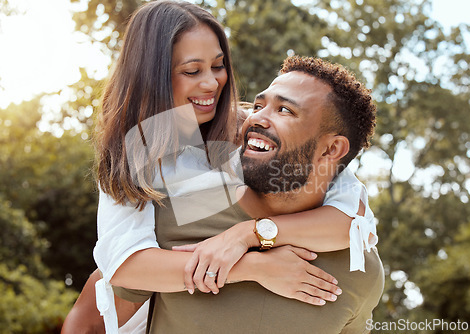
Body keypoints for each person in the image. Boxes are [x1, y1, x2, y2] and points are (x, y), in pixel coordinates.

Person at [70, 0, 378, 332]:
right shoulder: (134, 151)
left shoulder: (251, 130)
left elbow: (355, 222)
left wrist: (246, 235)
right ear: (152, 75)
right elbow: (123, 268)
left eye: (218, 66)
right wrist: (254, 267)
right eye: (192, 71)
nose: (212, 83)